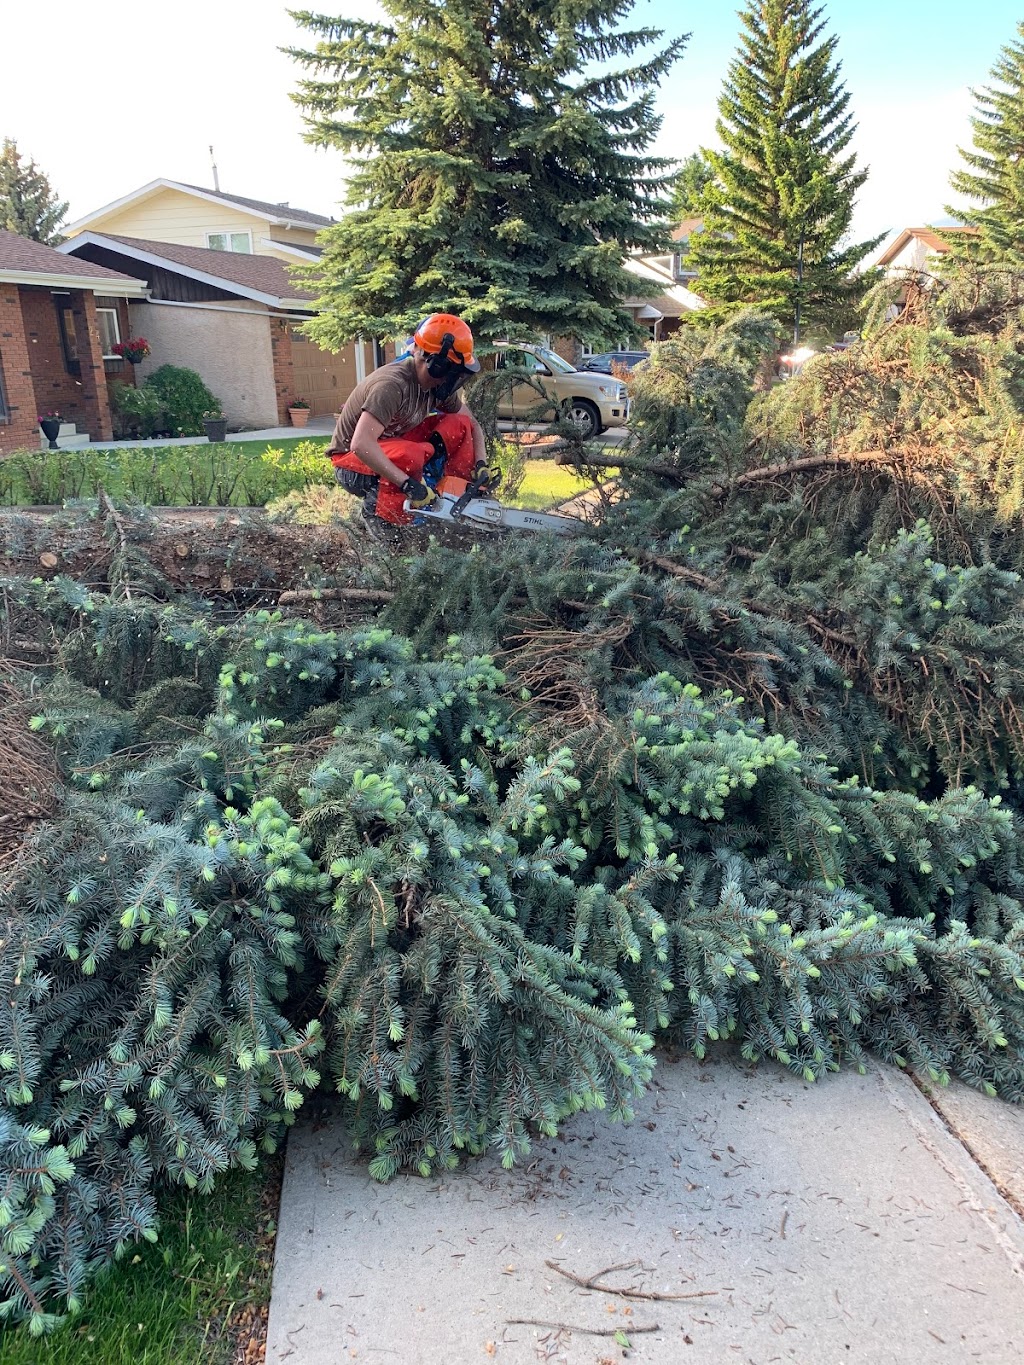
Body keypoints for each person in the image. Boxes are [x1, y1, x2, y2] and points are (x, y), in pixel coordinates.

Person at [328, 313, 494, 526]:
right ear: (437, 365)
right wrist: (408, 484)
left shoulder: (436, 387)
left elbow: (472, 424)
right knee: (410, 454)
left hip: (390, 445)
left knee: (459, 425)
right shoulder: (391, 386)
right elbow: (360, 444)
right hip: (350, 462)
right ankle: (385, 522)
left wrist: (481, 463)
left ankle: (457, 498)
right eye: (452, 371)